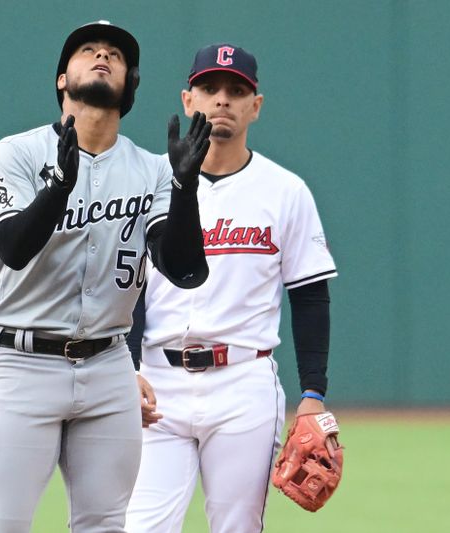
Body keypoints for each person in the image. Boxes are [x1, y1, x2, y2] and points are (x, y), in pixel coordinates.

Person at [0, 21, 212, 533]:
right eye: (88, 50)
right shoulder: (16, 154)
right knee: (1, 525)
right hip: (23, 362)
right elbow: (13, 249)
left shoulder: (152, 170)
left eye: (115, 55)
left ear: (130, 86)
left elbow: (186, 269)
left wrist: (186, 189)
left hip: (108, 368)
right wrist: (58, 187)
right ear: (63, 78)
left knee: (105, 525)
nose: (102, 56)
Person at [125, 43, 339, 533]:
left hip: (243, 381)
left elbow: (309, 295)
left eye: (236, 90)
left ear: (255, 106)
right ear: (187, 99)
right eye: (209, 87)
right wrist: (127, 364)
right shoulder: (151, 183)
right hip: (158, 381)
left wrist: (313, 392)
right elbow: (129, 287)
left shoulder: (285, 191)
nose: (221, 99)